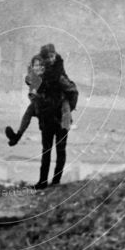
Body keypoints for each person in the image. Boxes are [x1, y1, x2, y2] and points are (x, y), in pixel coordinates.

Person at [33, 45, 78, 189]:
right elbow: (37, 98)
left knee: (60, 149)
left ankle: (56, 181)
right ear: (44, 58)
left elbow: (73, 91)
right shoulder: (40, 76)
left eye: (53, 56)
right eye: (48, 57)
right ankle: (42, 182)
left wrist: (68, 108)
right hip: (47, 118)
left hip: (61, 117)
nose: (51, 59)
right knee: (46, 150)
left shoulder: (59, 76)